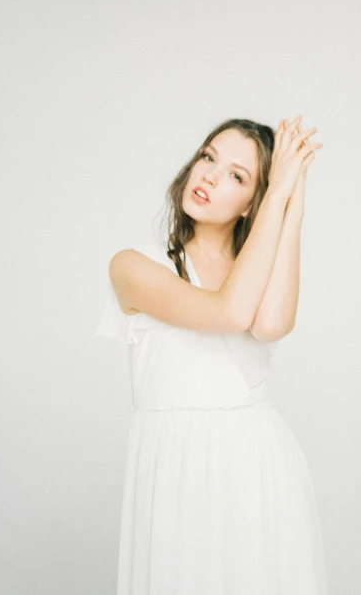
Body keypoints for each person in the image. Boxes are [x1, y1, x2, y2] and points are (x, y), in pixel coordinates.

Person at [96, 114, 328, 594]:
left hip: (256, 464)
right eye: (208, 157)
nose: (209, 176)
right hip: (175, 467)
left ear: (252, 205)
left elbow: (269, 323)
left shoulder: (254, 273)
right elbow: (229, 311)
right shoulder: (134, 266)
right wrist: (277, 188)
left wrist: (292, 204)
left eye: (237, 176)